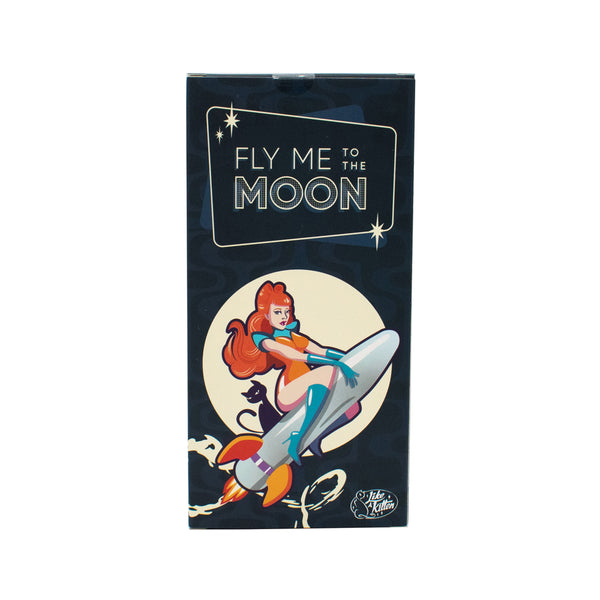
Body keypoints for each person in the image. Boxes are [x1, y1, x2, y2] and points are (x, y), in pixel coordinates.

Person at [223, 281, 360, 464]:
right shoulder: (266, 340)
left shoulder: (295, 336)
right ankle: (299, 437)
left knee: (352, 408)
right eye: (277, 312)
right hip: (289, 391)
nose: (284, 317)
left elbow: (321, 350)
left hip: (312, 383)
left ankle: (315, 437)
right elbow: (297, 356)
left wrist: (350, 357)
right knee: (327, 371)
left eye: (286, 312)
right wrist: (338, 364)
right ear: (267, 315)